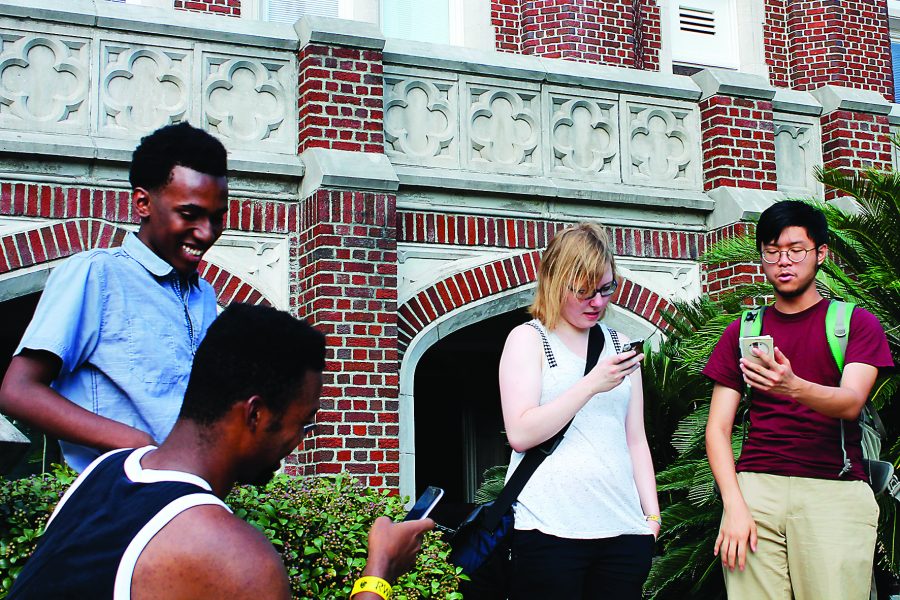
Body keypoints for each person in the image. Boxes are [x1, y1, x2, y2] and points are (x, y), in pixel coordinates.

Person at [7, 303, 433, 600]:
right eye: (301, 423)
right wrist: (379, 571)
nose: (299, 441)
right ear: (254, 414)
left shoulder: (103, 473)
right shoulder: (233, 556)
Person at [0, 122, 229, 472]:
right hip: (119, 500)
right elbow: (18, 391)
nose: (206, 232)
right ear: (142, 202)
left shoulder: (204, 296)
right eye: (190, 214)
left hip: (190, 499)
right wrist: (140, 446)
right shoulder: (97, 275)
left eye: (217, 218)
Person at [704, 201, 894, 599]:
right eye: (772, 251)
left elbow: (850, 402)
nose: (783, 261)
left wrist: (792, 385)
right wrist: (734, 505)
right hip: (756, 490)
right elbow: (718, 429)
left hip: (834, 492)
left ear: (820, 254)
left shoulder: (853, 323)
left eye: (795, 250)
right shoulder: (743, 329)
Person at [497, 222, 660, 600]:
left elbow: (635, 439)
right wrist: (590, 384)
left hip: (623, 532)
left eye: (606, 289)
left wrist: (651, 518)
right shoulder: (529, 338)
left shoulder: (620, 344)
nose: (598, 303)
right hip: (547, 530)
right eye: (584, 291)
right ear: (556, 282)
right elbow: (520, 434)